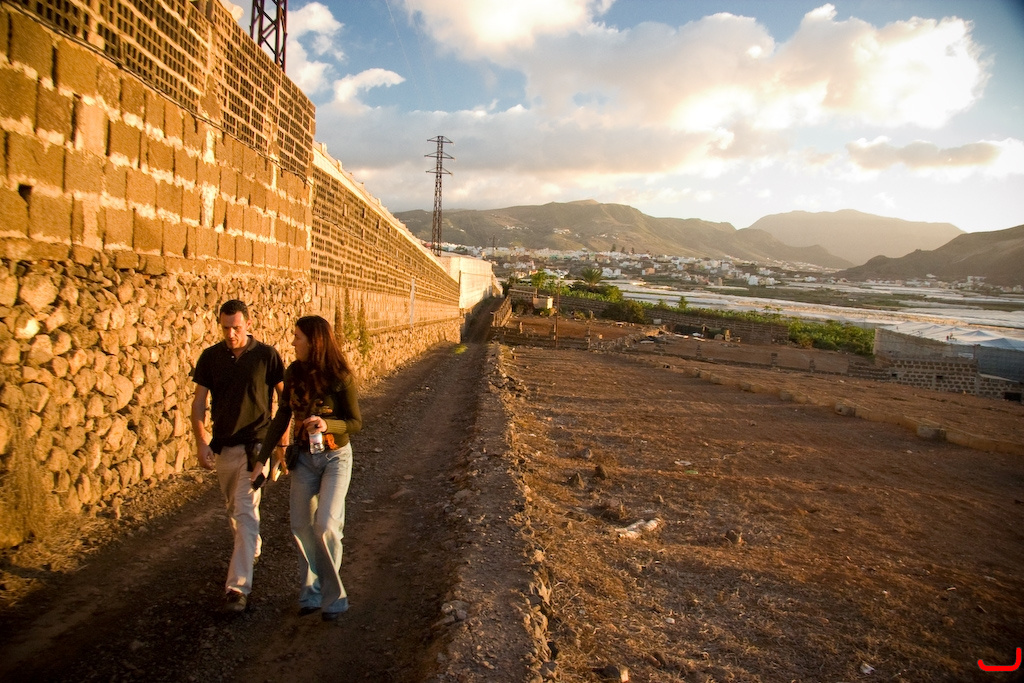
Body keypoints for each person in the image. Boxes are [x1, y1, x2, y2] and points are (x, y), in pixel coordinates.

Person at [255, 315, 362, 621]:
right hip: (303, 458)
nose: (292, 342)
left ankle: (334, 599)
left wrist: (327, 424)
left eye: (297, 337)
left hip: (335, 458)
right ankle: (310, 595)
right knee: (301, 526)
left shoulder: (341, 377)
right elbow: (282, 415)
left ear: (314, 342)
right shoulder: (293, 372)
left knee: (326, 526)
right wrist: (262, 459)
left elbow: (356, 422)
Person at [192, 299, 285, 613]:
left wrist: (281, 445)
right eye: (225, 328)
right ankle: (251, 548)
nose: (231, 334)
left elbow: (285, 401)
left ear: (248, 324)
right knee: (235, 510)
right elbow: (198, 403)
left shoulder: (267, 356)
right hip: (224, 447)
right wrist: (201, 441)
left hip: (255, 448)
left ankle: (237, 588)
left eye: (236, 327)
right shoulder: (211, 357)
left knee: (244, 511)